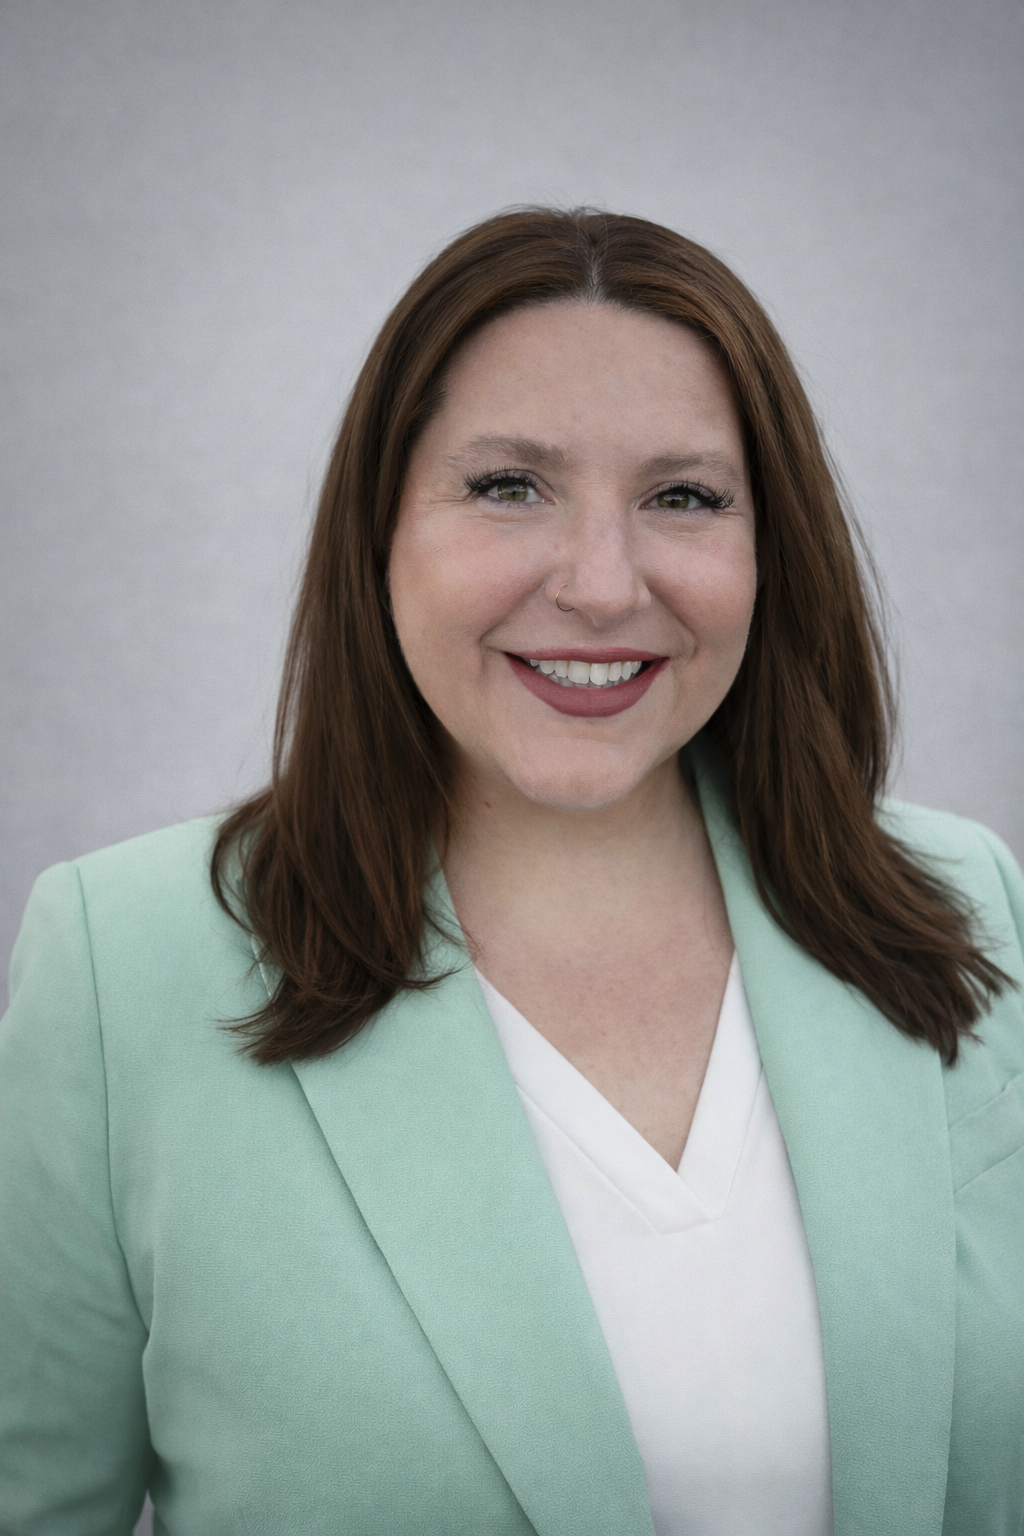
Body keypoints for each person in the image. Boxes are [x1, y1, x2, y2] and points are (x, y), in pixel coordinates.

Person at [1, 209, 1021, 1536]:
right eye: (508, 486)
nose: (601, 586)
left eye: (685, 496)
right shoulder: (121, 960)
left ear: (771, 550)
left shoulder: (966, 905)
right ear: (382, 531)